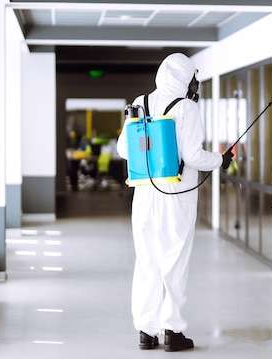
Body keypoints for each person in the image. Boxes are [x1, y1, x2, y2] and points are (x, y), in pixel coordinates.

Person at [116, 53, 233, 351]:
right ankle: (172, 330)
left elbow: (123, 149)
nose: (194, 83)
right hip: (176, 196)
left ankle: (146, 331)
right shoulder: (187, 108)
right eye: (193, 78)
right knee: (174, 260)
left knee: (147, 261)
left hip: (144, 193)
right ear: (184, 78)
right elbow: (193, 157)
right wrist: (221, 159)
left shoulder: (139, 102)